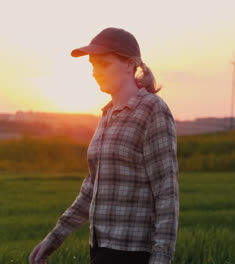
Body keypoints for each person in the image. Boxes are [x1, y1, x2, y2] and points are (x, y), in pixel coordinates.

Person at [29, 27, 179, 264]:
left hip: (132, 251)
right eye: (92, 65)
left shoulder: (152, 110)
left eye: (103, 64)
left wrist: (161, 259)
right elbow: (92, 187)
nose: (94, 72)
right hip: (100, 247)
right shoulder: (107, 114)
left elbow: (166, 191)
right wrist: (53, 239)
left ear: (130, 65)